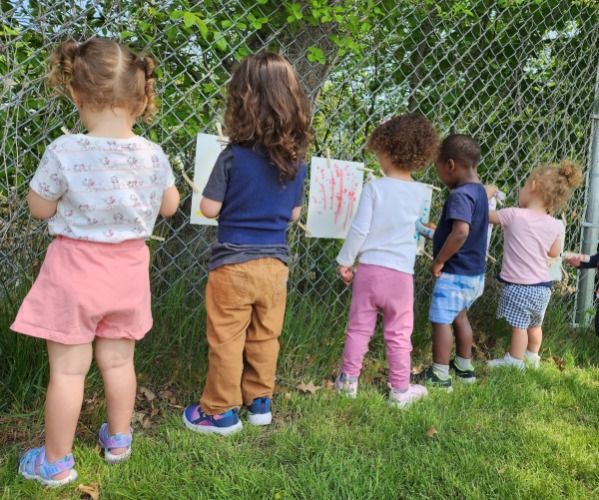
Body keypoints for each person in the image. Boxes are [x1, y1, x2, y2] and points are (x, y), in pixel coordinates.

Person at [11, 38, 180, 486]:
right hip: (127, 273)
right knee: (119, 362)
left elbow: (39, 208)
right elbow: (170, 206)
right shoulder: (152, 154)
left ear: (75, 94)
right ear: (143, 100)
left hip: (75, 272)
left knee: (69, 369)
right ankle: (119, 440)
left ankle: (55, 462)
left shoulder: (65, 152)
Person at [182, 52, 311, 435]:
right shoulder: (296, 160)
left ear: (241, 102)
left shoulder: (232, 157)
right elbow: (293, 215)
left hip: (233, 264)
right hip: (275, 266)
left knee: (227, 337)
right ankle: (259, 401)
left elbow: (209, 207)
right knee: (265, 334)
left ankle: (219, 410)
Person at [334, 114, 438, 407]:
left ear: (388, 151)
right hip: (401, 276)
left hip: (369, 271)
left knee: (358, 328)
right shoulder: (421, 193)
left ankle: (348, 382)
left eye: (379, 152)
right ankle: (400, 391)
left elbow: (359, 230)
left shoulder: (375, 188)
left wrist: (346, 260)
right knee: (399, 333)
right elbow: (418, 232)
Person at [488, 161, 582, 368]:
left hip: (519, 285)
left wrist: (486, 195)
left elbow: (488, 216)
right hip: (543, 288)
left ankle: (514, 361)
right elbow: (554, 252)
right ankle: (532, 356)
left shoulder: (513, 215)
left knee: (519, 327)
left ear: (533, 186)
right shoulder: (556, 225)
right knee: (534, 325)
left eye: (523, 185)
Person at [413, 134, 488, 390]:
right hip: (474, 274)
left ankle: (440, 375)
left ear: (451, 165)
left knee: (441, 319)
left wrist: (439, 261)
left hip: (455, 273)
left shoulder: (460, 195)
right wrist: (430, 232)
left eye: (438, 168)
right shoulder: (479, 192)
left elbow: (460, 233)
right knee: (460, 316)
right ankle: (464, 368)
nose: (439, 175)